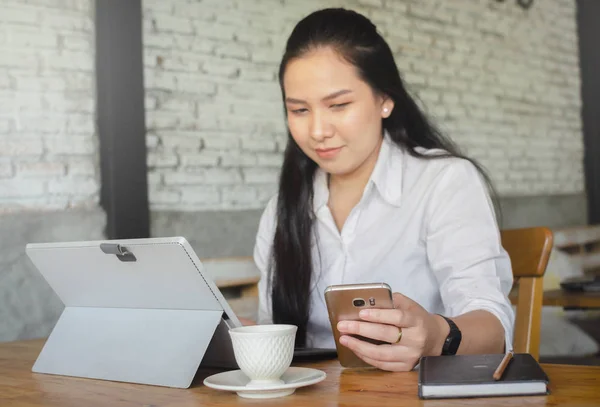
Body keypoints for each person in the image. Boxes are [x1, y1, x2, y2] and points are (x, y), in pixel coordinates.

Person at [250, 8, 514, 372]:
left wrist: (437, 335)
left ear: (384, 99)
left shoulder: (443, 182)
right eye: (299, 110)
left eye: (338, 105)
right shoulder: (283, 208)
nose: (317, 130)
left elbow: (493, 325)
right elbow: (273, 331)